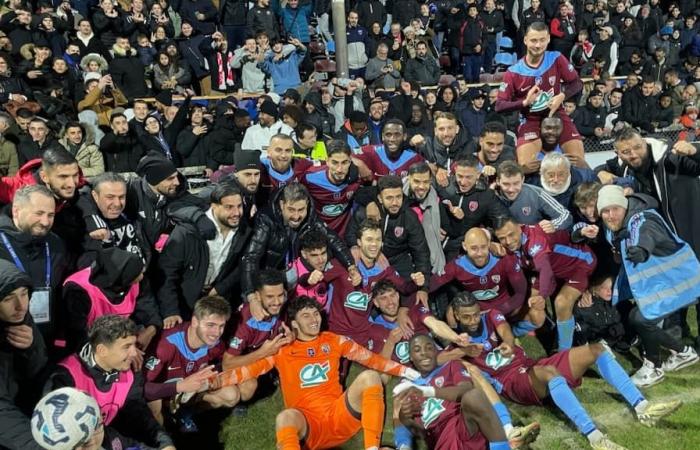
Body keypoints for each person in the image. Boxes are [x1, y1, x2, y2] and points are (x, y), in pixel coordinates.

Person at [448, 292, 683, 450]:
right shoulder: (455, 348)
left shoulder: (489, 315)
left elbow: (504, 329)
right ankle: (595, 438)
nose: (472, 320)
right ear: (455, 317)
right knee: (550, 372)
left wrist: (508, 343)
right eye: (466, 317)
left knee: (596, 349)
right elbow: (476, 383)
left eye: (475, 314)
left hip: (530, 367)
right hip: (513, 383)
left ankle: (643, 408)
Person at [206, 295, 422, 450]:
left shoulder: (334, 340)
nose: (314, 319)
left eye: (316, 314)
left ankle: (372, 447)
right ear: (293, 323)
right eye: (306, 315)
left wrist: (406, 371)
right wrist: (211, 383)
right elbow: (244, 372)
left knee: (370, 377)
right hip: (308, 429)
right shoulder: (282, 351)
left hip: (341, 419)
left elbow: (372, 360)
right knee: (285, 417)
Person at [597, 185, 700, 387]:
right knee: (640, 318)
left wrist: (641, 250)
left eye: (615, 209)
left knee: (640, 318)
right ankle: (682, 353)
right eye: (605, 211)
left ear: (624, 206)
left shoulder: (642, 221)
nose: (610, 215)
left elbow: (643, 237)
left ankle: (654, 367)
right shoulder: (620, 225)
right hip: (667, 285)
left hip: (683, 284)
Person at [47, 315, 175, 450]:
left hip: (106, 438)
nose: (134, 353)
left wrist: (164, 443)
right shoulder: (64, 377)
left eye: (134, 344)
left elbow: (139, 413)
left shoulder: (129, 371)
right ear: (102, 350)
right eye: (126, 347)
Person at [241, 182, 357, 318]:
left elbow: (333, 239)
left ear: (307, 204)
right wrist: (252, 297)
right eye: (291, 210)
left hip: (294, 276)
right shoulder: (266, 219)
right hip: (270, 278)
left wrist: (351, 266)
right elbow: (250, 257)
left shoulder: (310, 217)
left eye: (301, 210)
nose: (296, 216)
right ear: (281, 204)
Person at [493, 215, 596, 352]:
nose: (508, 241)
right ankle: (506, 336)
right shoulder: (511, 244)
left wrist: (542, 295)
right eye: (502, 238)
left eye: (511, 235)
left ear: (520, 227)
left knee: (561, 302)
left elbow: (545, 270)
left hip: (579, 264)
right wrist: (490, 245)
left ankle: (563, 354)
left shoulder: (535, 239)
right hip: (553, 271)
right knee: (535, 312)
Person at [394, 333, 511, 450]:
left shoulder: (450, 366)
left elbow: (466, 389)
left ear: (436, 351)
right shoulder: (406, 388)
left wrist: (427, 391)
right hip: (440, 441)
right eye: (417, 350)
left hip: (464, 428)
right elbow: (421, 434)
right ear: (411, 357)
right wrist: (404, 417)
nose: (424, 353)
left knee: (474, 397)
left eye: (429, 348)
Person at [158, 182, 251, 326]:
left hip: (218, 302)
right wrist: (171, 311)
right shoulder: (186, 233)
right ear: (214, 206)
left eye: (239, 206)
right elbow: (167, 274)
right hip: (184, 306)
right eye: (229, 207)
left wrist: (219, 289)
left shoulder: (244, 230)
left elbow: (241, 265)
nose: (236, 213)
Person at [496, 22, 584, 165]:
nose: (538, 45)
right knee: (527, 166)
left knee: (579, 163)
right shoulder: (513, 71)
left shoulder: (556, 58)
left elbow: (577, 82)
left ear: (548, 39)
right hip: (530, 119)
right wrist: (524, 102)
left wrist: (562, 95)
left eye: (542, 40)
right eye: (533, 40)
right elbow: (499, 105)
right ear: (525, 40)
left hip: (557, 114)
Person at [145, 295, 237, 431]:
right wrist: (179, 387)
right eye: (210, 325)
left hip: (186, 391)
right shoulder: (166, 346)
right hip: (164, 391)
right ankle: (161, 437)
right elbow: (144, 388)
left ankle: (185, 414)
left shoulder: (216, 344)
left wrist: (213, 375)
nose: (216, 332)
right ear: (195, 321)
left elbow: (218, 363)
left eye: (221, 326)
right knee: (154, 406)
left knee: (231, 395)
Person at [0, 185, 69, 351]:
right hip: (7, 346)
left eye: (50, 215)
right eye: (38, 213)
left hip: (46, 342)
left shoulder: (55, 244)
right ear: (16, 211)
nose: (45, 222)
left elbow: (59, 291)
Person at [221, 270, 288, 410]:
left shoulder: (280, 306)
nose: (277, 302)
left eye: (281, 295)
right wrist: (263, 352)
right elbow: (227, 363)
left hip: (261, 357)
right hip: (238, 361)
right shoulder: (244, 323)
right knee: (248, 388)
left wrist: (291, 335)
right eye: (270, 296)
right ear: (257, 296)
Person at [0, 259, 48, 450]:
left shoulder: (21, 320)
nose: (21, 306)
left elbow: (39, 372)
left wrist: (31, 348)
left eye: (24, 294)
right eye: (7, 298)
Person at [436, 157, 509, 260]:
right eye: (460, 176)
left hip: (464, 248)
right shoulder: (444, 186)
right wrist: (432, 227)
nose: (463, 182)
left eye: (468, 177)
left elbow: (503, 219)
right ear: (455, 172)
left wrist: (487, 237)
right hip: (436, 243)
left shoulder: (486, 196)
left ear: (478, 175)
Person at [299, 140, 360, 236]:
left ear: (350, 161)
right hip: (317, 232)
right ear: (327, 161)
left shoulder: (357, 178)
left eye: (344, 163)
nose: (340, 169)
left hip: (345, 234)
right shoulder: (310, 177)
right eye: (335, 163)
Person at [496, 160, 572, 232]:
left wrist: (554, 225)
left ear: (523, 180)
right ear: (498, 181)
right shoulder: (491, 195)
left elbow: (565, 215)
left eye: (516, 183)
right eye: (506, 184)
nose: (511, 189)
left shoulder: (536, 193)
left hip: (533, 239)